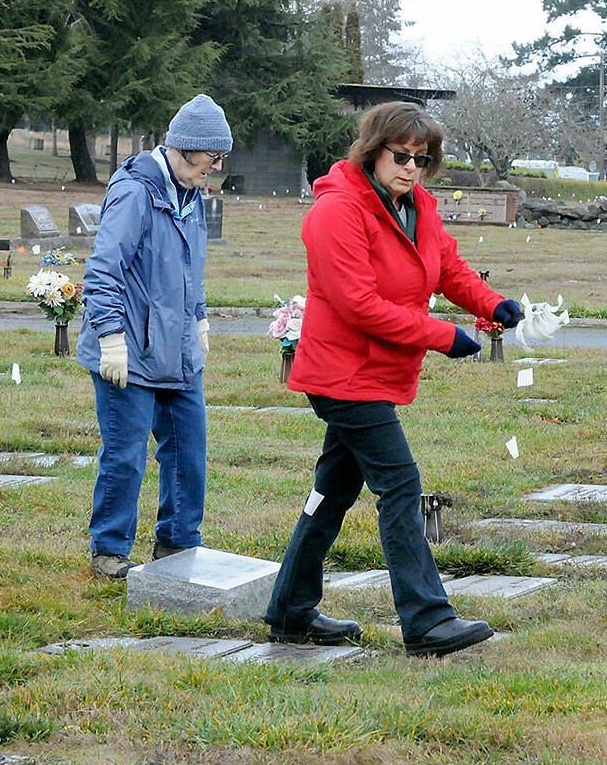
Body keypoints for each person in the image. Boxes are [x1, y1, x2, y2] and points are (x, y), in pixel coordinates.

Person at [263, 101, 525, 657]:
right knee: (400, 485)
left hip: (376, 374)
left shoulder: (417, 205)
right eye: (401, 156)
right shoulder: (336, 212)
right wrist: (442, 335)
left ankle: (289, 609)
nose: (412, 167)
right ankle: (427, 621)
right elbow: (359, 304)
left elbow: (448, 267)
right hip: (342, 374)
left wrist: (492, 303)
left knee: (331, 492)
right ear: (372, 149)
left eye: (423, 159)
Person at [75, 93, 232, 578]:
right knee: (125, 457)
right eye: (212, 159)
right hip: (130, 352)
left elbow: (191, 270)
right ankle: (109, 549)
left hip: (180, 352)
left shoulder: (192, 196)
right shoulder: (136, 192)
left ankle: (179, 545)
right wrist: (110, 337)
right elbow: (103, 271)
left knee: (189, 452)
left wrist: (200, 318)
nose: (217, 168)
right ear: (185, 149)